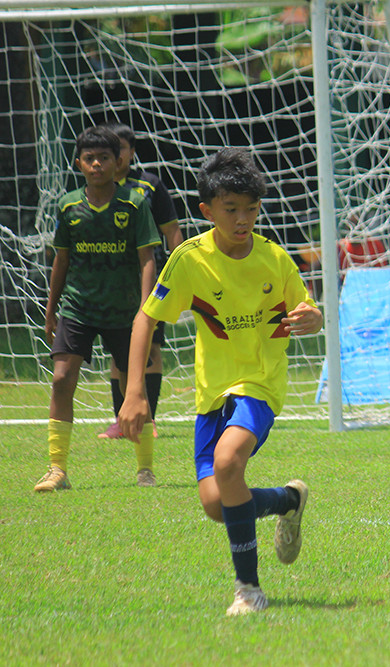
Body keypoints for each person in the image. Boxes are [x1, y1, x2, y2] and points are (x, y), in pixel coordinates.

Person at [118, 148, 322, 616]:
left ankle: (248, 590)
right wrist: (134, 392)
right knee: (217, 503)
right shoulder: (190, 259)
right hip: (213, 392)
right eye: (231, 209)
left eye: (251, 209)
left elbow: (307, 308)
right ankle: (289, 500)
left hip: (260, 383)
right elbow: (145, 321)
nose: (243, 219)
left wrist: (312, 316)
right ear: (207, 210)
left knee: (229, 464)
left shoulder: (275, 260)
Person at [33, 125, 161, 492]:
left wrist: (145, 308)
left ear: (117, 161)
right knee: (61, 379)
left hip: (125, 310)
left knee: (134, 385)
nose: (97, 164)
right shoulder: (69, 206)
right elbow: (61, 259)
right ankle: (57, 469)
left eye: (104, 157)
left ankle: (145, 469)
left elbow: (147, 258)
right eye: (89, 158)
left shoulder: (134, 203)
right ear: (79, 163)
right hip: (79, 306)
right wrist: (51, 307)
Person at [98, 122, 184, 440]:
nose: (114, 156)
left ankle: (149, 418)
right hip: (112, 281)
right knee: (118, 350)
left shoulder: (149, 185)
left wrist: (182, 268)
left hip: (150, 278)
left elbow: (172, 230)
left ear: (131, 152)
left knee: (151, 346)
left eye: (119, 148)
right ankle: (121, 420)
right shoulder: (96, 190)